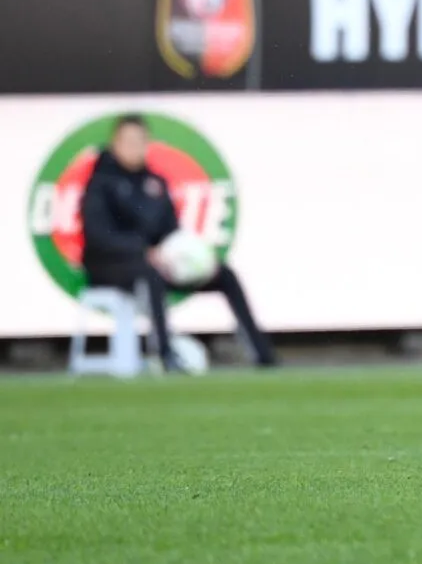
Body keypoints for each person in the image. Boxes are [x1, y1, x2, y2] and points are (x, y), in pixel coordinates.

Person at [80, 114, 278, 372]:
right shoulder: (99, 184)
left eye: (139, 141)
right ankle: (164, 355)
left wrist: (188, 254)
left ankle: (261, 352)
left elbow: (171, 231)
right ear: (115, 143)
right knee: (150, 275)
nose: (134, 147)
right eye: (127, 141)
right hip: (109, 266)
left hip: (158, 262)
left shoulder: (156, 184)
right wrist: (142, 251)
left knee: (223, 273)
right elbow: (98, 236)